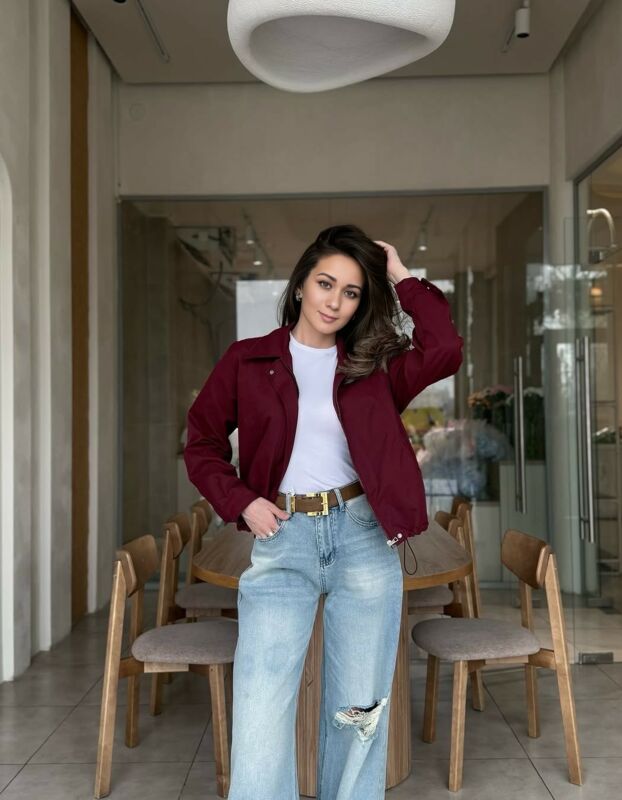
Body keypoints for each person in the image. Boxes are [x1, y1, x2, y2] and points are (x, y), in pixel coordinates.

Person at [184, 224, 464, 800]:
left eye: (352, 292)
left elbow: (443, 350)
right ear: (301, 285)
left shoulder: (374, 367)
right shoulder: (248, 360)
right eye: (325, 283)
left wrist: (401, 276)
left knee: (359, 705)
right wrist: (242, 502)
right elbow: (202, 444)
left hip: (362, 536)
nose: (334, 301)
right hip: (282, 537)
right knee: (261, 701)